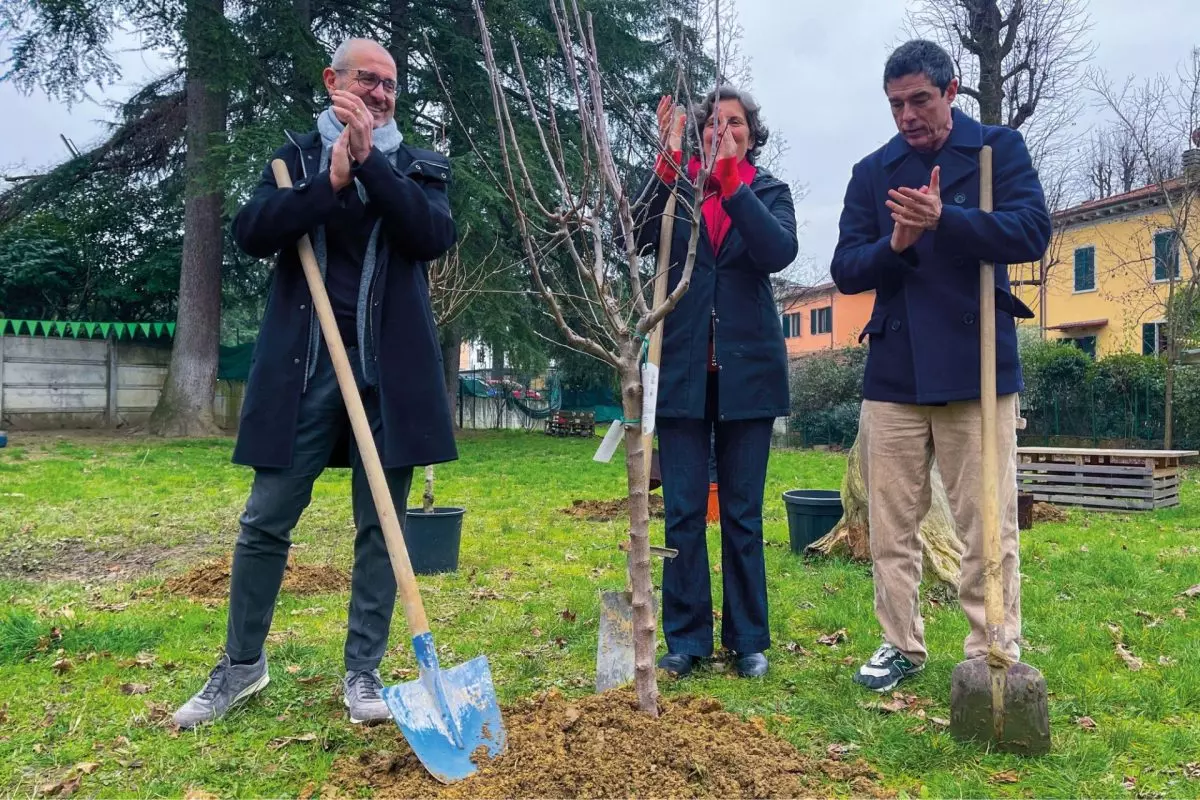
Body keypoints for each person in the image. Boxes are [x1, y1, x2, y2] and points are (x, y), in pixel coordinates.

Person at [173, 37, 457, 728]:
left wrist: (370, 168)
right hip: (304, 369)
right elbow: (251, 231)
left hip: (389, 375)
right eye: (369, 80)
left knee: (380, 527)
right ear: (334, 81)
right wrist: (326, 184)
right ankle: (242, 666)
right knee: (266, 517)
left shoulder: (419, 167)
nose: (382, 94)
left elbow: (429, 236)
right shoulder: (292, 159)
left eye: (391, 84)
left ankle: (363, 672)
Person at [830, 40, 1050, 693]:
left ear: (951, 90)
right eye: (896, 103)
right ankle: (900, 643)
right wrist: (896, 245)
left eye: (920, 99)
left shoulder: (995, 151)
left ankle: (993, 647)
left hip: (976, 359)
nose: (907, 115)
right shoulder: (875, 172)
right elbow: (846, 269)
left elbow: (1030, 231)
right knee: (892, 523)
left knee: (987, 520)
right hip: (896, 370)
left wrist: (944, 220)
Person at [628, 85, 798, 678]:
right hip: (680, 372)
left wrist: (732, 182)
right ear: (698, 132)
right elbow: (640, 232)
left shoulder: (768, 192)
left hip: (748, 376)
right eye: (713, 123)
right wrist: (667, 160)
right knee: (681, 512)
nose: (723, 130)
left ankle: (747, 638)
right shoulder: (677, 190)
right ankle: (687, 639)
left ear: (751, 133)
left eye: (736, 123)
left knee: (743, 514)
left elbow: (777, 251)